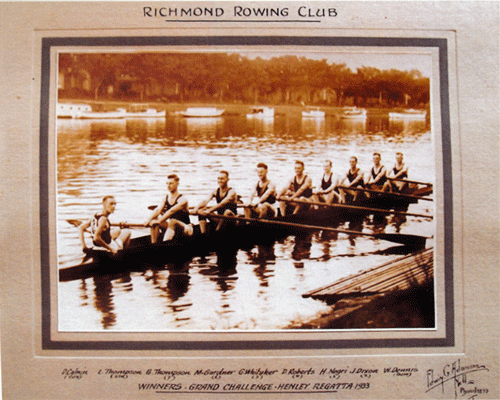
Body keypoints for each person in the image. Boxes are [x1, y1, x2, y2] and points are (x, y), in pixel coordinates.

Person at [144, 174, 193, 243]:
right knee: (154, 221)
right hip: (173, 228)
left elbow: (171, 211)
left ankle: (165, 245)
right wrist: (148, 220)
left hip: (186, 229)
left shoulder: (183, 199)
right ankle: (154, 245)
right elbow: (158, 210)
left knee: (172, 221)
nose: (168, 186)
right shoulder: (165, 198)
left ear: (177, 183)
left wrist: (159, 221)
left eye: (171, 183)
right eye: (167, 183)